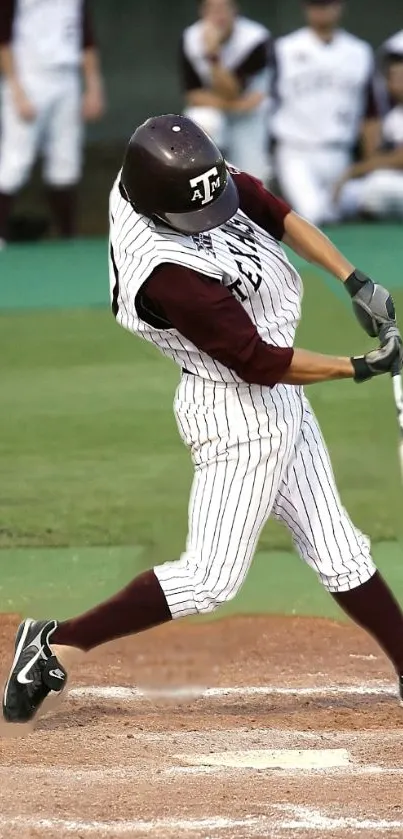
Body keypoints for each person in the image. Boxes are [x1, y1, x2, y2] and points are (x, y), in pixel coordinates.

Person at [3, 114, 403, 725]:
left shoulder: (166, 169)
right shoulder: (164, 275)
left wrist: (355, 278)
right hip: (236, 412)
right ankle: (50, 644)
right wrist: (363, 367)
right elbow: (257, 361)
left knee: (338, 550)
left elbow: (268, 206)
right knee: (209, 579)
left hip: (275, 399)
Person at [0, 0, 104, 247]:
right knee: (16, 159)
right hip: (28, 78)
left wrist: (93, 86)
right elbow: (3, 38)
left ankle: (68, 235)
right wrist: (15, 88)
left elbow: (86, 39)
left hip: (67, 78)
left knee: (65, 160)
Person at [271, 0, 380, 225]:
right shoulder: (284, 49)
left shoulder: (359, 51)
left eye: (327, 4)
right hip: (297, 151)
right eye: (315, 4)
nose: (321, 10)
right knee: (315, 214)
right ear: (305, 8)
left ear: (340, 6)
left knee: (376, 197)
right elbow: (265, 104)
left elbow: (370, 114)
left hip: (341, 154)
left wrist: (369, 165)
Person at [180, 0, 273, 179]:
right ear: (202, 11)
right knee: (202, 118)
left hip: (250, 119)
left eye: (224, 8)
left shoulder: (255, 39)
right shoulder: (190, 38)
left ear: (235, 10)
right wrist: (237, 105)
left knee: (254, 180)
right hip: (222, 111)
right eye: (212, 9)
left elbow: (232, 91)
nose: (219, 15)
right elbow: (193, 95)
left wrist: (214, 56)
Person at [336, 54, 403, 219]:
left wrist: (355, 170)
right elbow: (374, 154)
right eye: (395, 78)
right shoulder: (393, 116)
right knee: (350, 194)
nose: (400, 82)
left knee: (377, 185)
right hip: (395, 181)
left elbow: (400, 159)